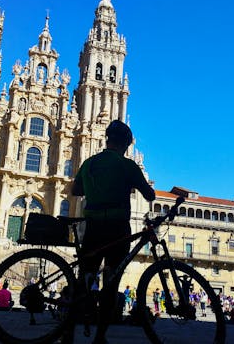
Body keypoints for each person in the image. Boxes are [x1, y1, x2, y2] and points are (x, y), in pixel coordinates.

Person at [70, 120, 156, 344]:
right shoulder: (127, 165)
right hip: (118, 230)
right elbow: (149, 195)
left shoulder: (89, 163)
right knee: (111, 281)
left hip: (92, 229)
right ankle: (100, 337)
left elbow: (75, 190)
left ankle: (66, 333)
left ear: (107, 139)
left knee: (84, 279)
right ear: (127, 144)